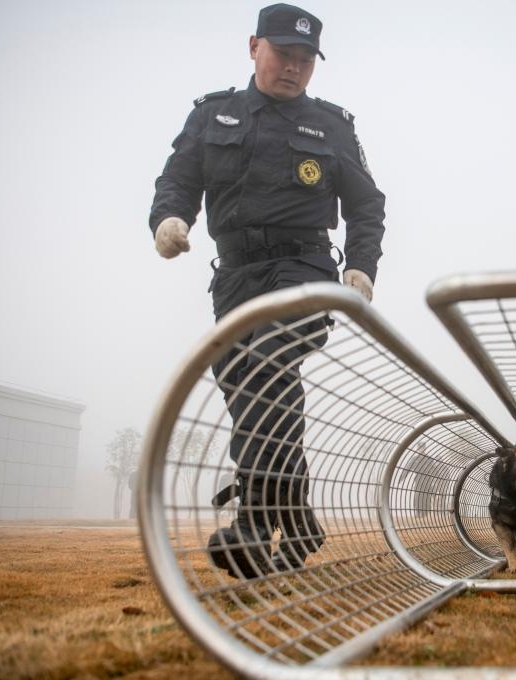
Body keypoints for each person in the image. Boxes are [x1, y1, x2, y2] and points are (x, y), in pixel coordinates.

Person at [148, 3, 386, 579]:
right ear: (254, 47)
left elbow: (366, 206)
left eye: (307, 59)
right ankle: (298, 517)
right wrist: (168, 218)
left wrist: (360, 268)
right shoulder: (214, 114)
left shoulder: (331, 126)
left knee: (268, 365)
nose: (295, 68)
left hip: (303, 270)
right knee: (247, 389)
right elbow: (178, 177)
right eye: (285, 54)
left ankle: (255, 523)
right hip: (233, 278)